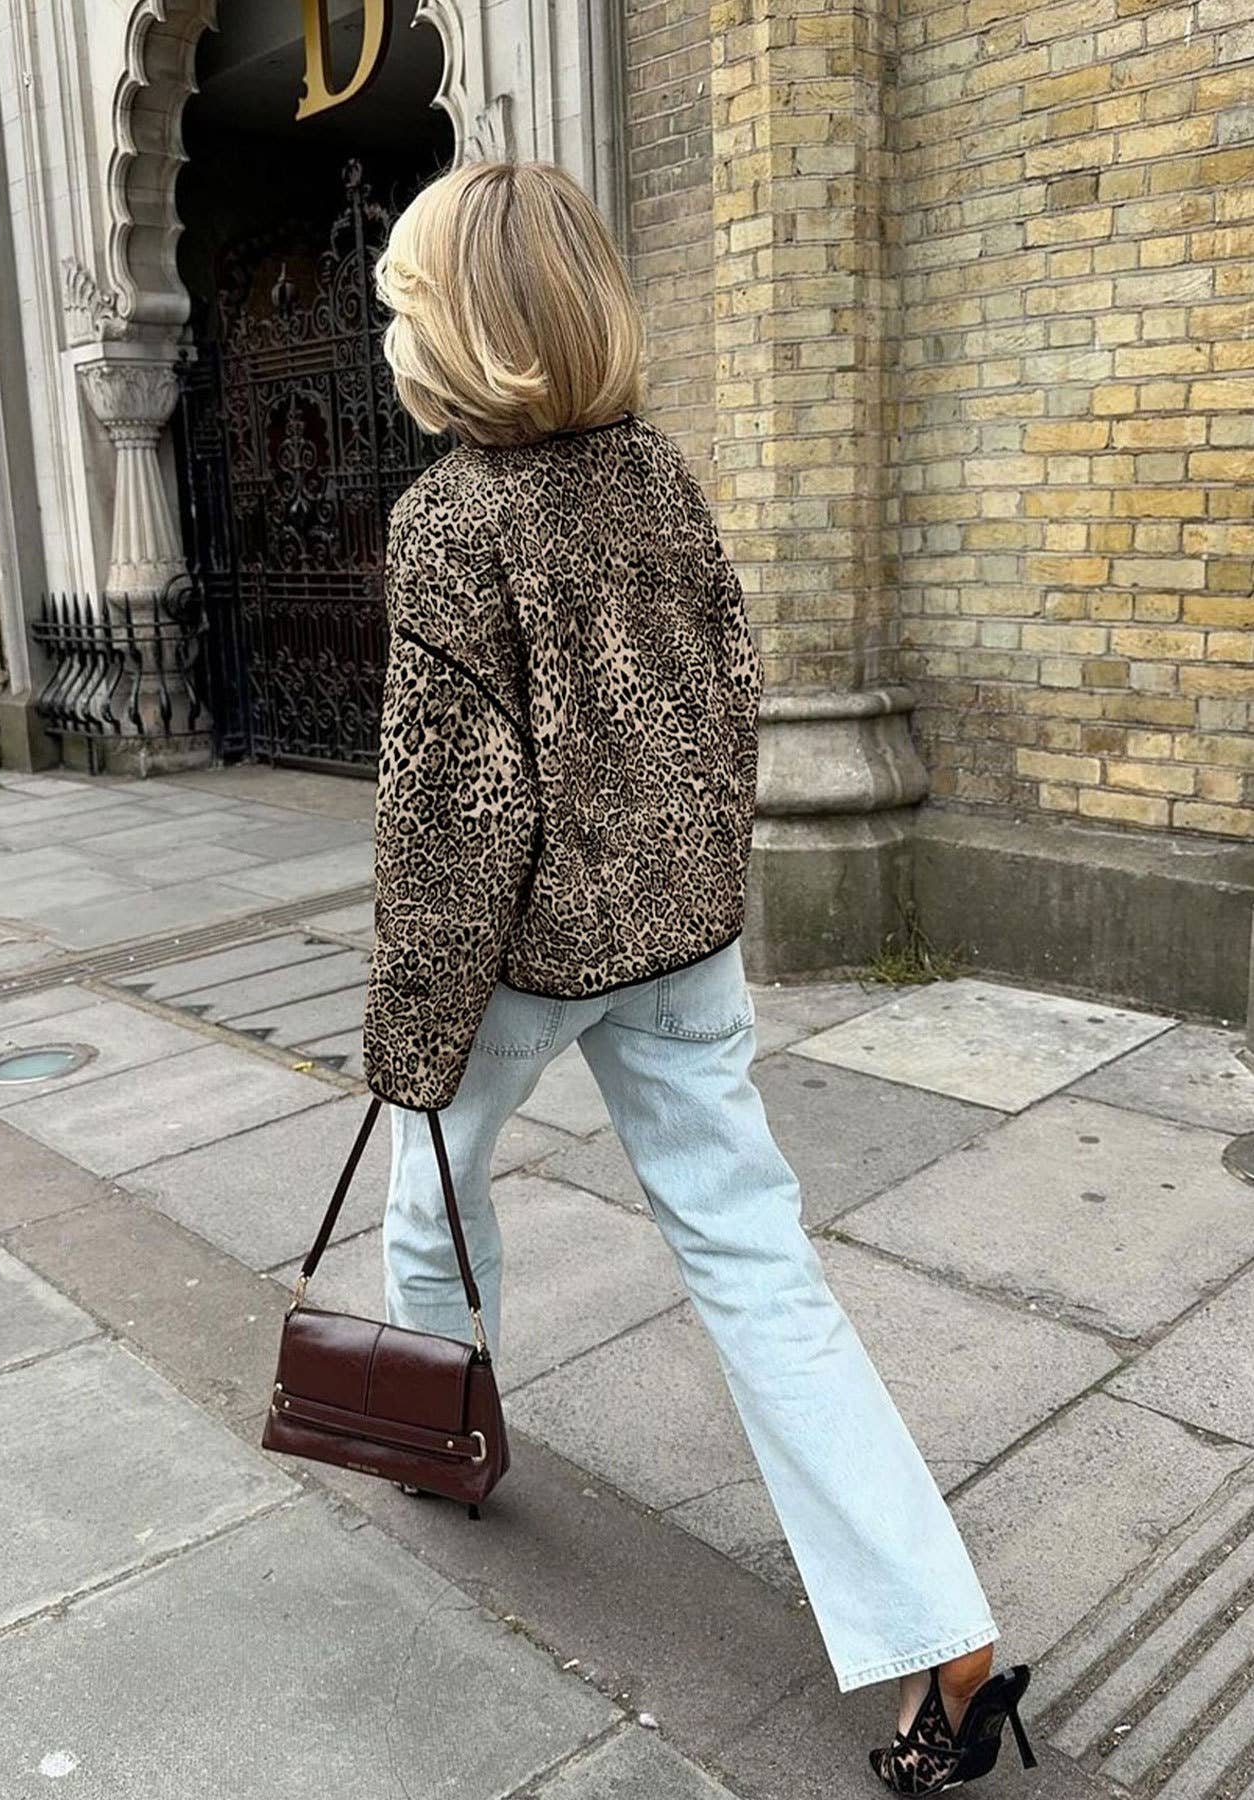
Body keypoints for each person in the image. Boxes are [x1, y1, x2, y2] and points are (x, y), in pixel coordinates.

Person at [362, 157, 1035, 1793]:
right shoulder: (656, 476)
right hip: (682, 937)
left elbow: (453, 819)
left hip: (525, 953)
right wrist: (701, 883)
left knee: (429, 1194)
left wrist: (409, 1032)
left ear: (452, 326)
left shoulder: (448, 518)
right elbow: (729, 691)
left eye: (400, 298)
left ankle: (438, 1444)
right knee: (756, 1267)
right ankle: (937, 1637)